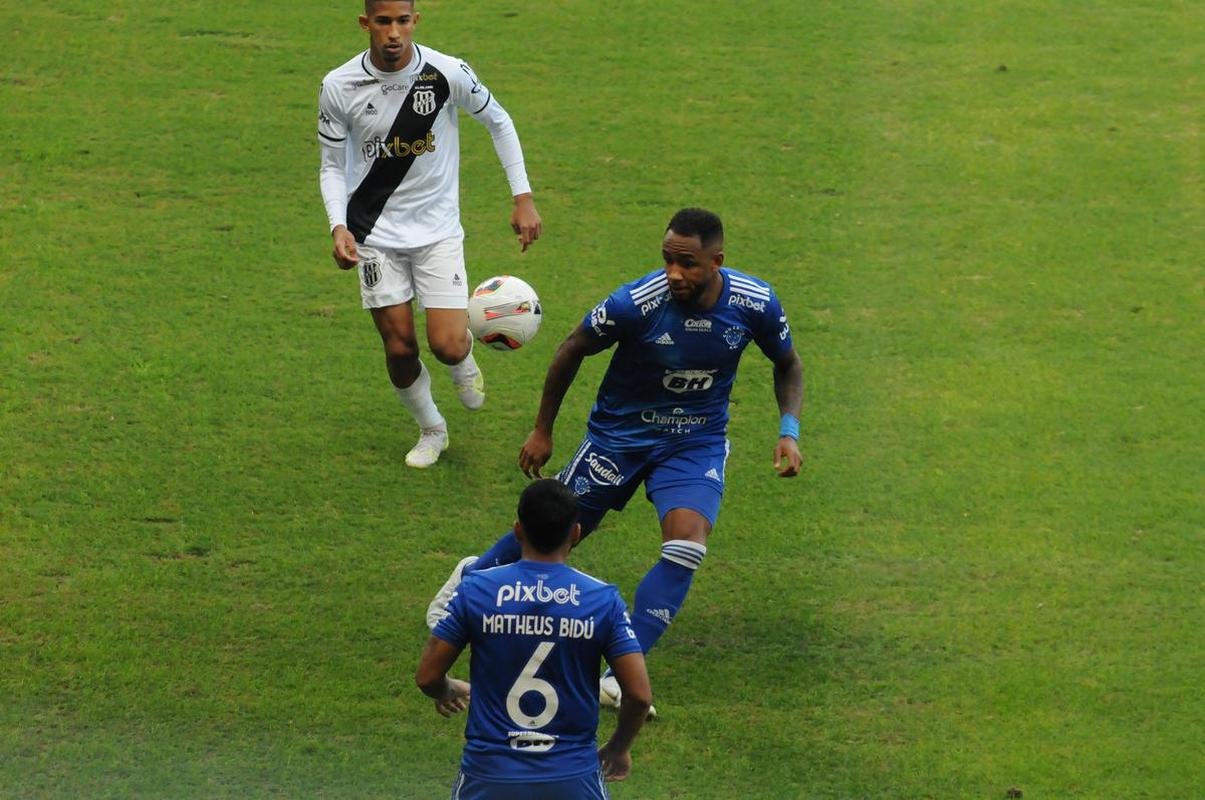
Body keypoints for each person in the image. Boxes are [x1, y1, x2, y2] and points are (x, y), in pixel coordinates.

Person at [428, 208, 804, 710]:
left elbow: (787, 363)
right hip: (618, 439)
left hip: (695, 442)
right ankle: (472, 578)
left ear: (717, 261)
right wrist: (543, 429)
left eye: (687, 264)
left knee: (687, 545)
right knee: (556, 533)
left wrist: (788, 432)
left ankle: (617, 678)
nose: (674, 273)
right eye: (667, 260)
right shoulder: (637, 303)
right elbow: (571, 348)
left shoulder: (754, 302)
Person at [317, 0, 542, 468]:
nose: (393, 33)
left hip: (437, 232)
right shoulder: (339, 85)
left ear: (415, 21)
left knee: (447, 344)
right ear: (365, 23)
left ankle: (463, 359)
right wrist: (338, 225)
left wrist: (522, 197)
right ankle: (432, 429)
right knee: (399, 348)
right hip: (373, 233)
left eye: (402, 21)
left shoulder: (446, 73)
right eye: (383, 22)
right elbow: (332, 166)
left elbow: (499, 120)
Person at [416, 479, 653, 799]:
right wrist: (618, 748)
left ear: (517, 530)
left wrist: (448, 689)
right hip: (572, 777)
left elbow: (428, 676)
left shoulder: (476, 590)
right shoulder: (601, 600)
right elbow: (638, 696)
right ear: (575, 533)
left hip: (489, 775)